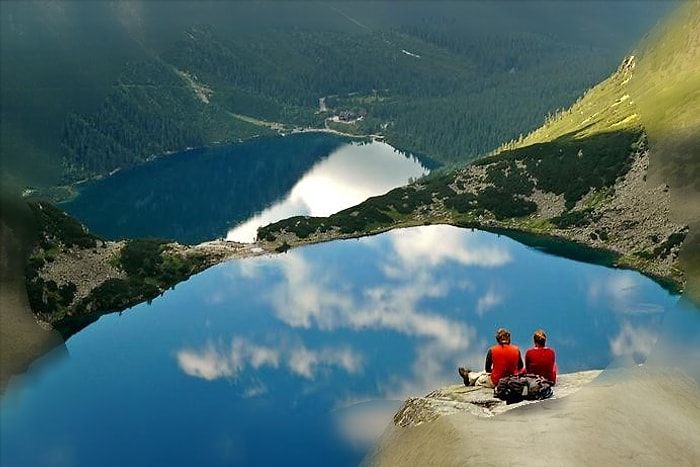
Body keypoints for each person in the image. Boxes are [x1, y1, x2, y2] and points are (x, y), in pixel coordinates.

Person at [459, 327, 524, 388]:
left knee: (481, 378)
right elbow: (520, 367)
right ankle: (470, 374)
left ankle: (469, 377)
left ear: (498, 339)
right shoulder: (516, 350)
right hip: (512, 381)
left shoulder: (492, 350)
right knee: (485, 372)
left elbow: (487, 369)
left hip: (496, 382)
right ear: (509, 338)